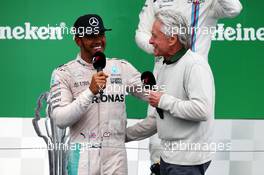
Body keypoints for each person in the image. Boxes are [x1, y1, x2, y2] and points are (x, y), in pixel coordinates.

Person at [135, 0, 242, 172]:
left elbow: (234, 8)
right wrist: (162, 46)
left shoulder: (209, 2)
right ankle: (157, 168)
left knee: (190, 145)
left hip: (194, 77)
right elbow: (141, 34)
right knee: (158, 138)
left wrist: (178, 52)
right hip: (164, 70)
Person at [49, 14, 146, 175]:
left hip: (116, 157)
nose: (98, 40)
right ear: (78, 40)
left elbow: (155, 97)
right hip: (82, 156)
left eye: (101, 34)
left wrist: (127, 135)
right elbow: (60, 119)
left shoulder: (122, 68)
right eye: (91, 36)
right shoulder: (64, 73)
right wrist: (90, 92)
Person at [126, 10, 215, 175]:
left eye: (154, 36)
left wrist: (163, 100)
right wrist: (122, 136)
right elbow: (157, 119)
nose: (150, 41)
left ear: (172, 39)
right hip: (169, 158)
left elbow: (202, 110)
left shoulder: (195, 65)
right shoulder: (164, 65)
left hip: (187, 162)